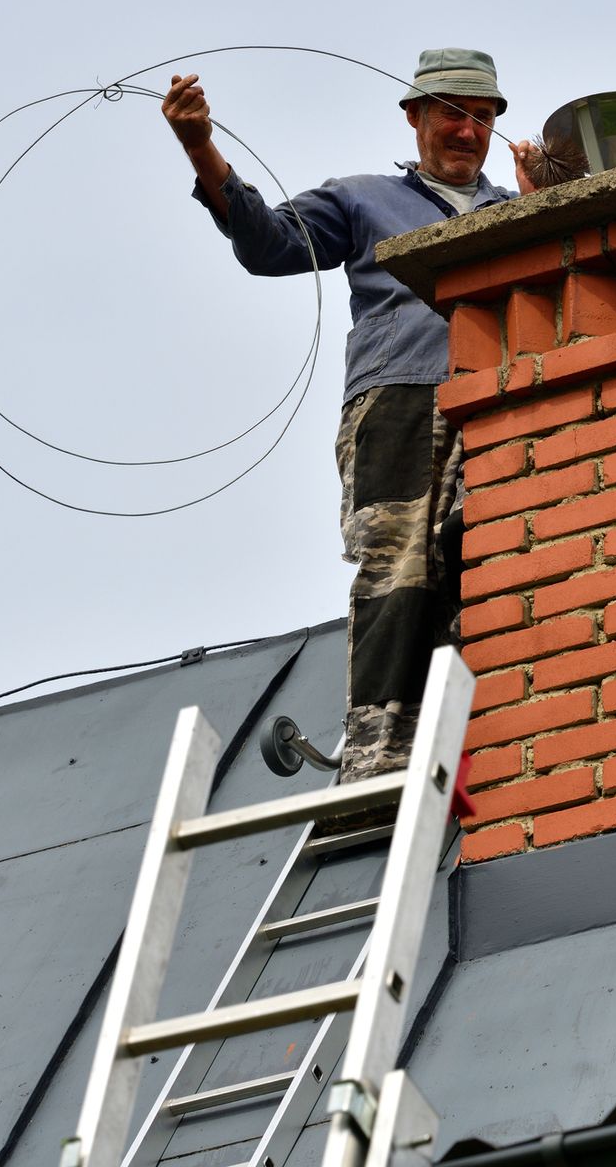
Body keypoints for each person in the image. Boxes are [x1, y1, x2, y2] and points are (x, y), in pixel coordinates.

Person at [162, 48, 522, 793]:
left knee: (484, 549)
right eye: (452, 113)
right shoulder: (363, 200)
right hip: (397, 402)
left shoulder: (516, 211)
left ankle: (474, 727)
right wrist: (201, 147)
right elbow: (269, 245)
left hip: (498, 395)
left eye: (482, 118)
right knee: (398, 569)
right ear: (415, 116)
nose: (467, 131)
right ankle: (381, 753)